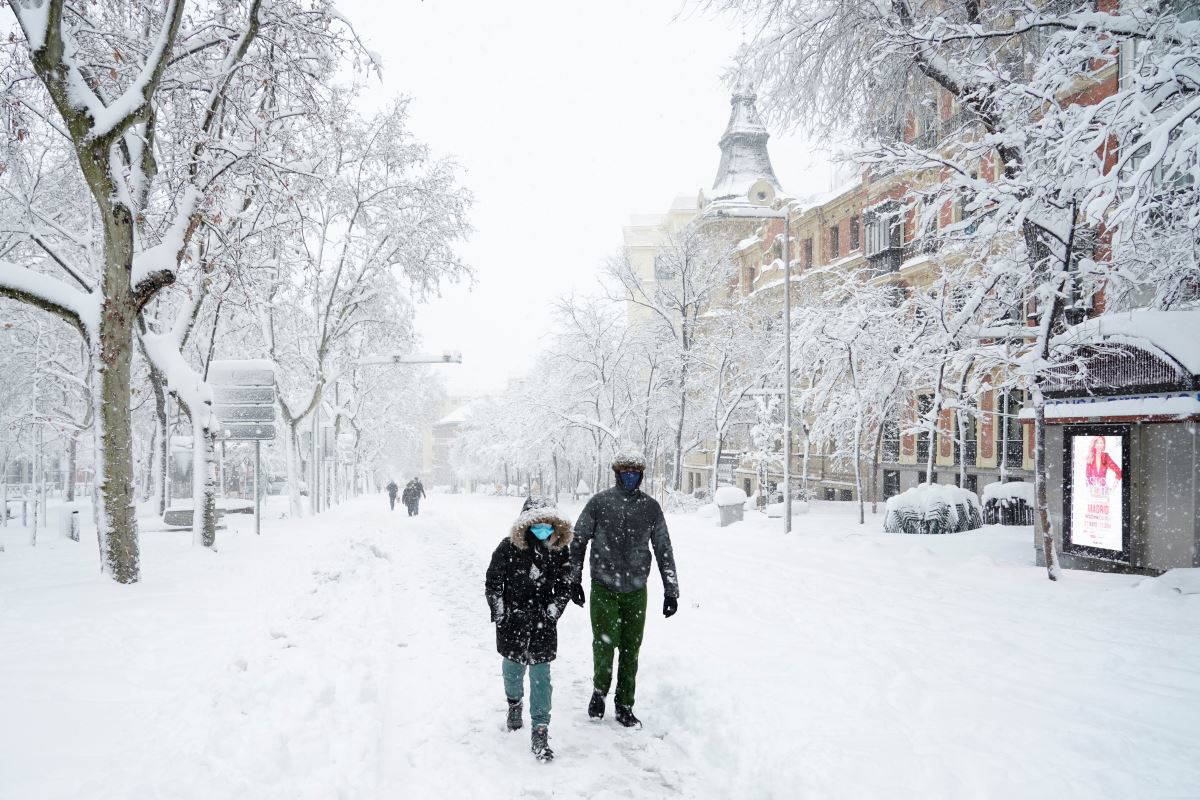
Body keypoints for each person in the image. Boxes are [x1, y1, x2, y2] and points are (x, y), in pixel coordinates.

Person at [569, 451, 679, 728]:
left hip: (636, 589)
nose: (630, 477)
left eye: (635, 472)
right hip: (604, 586)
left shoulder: (651, 508)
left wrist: (671, 590)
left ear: (641, 475)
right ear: (616, 473)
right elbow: (578, 540)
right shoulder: (599, 504)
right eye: (625, 472)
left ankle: (625, 704)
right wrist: (574, 579)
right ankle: (599, 692)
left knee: (631, 649)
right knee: (604, 645)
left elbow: (664, 548)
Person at [485, 495, 574, 762]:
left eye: (548, 525)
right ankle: (514, 704)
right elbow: (493, 583)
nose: (543, 530)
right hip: (513, 621)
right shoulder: (507, 548)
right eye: (537, 524)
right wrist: (500, 613)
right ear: (525, 524)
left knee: (540, 676)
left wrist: (553, 611)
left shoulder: (559, 551)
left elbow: (566, 584)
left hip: (543, 623)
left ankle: (540, 728)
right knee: (512, 670)